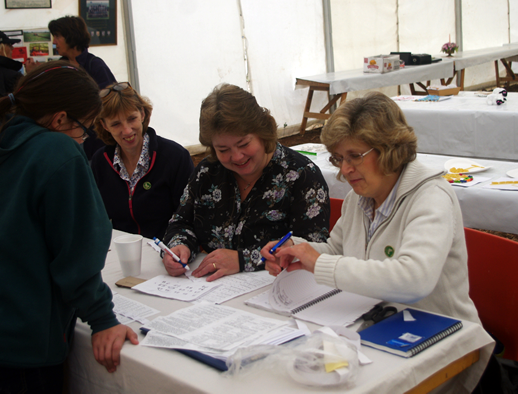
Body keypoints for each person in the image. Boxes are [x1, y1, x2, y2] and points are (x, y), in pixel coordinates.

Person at [0, 62, 138, 393]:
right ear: (60, 119)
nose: (82, 140)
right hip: (14, 353)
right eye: (84, 129)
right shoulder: (56, 150)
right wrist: (102, 319)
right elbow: (78, 251)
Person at [262, 92, 480, 324]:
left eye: (354, 156)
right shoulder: (358, 199)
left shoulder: (430, 197)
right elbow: (337, 250)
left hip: (443, 334)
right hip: (379, 324)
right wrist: (295, 248)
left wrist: (319, 263)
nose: (345, 169)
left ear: (389, 148)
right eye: (338, 158)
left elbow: (415, 279)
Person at [162, 83, 330, 281]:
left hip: (276, 290)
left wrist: (243, 260)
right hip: (207, 290)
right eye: (223, 150)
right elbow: (181, 222)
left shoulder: (301, 175)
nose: (236, 157)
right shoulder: (207, 172)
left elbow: (312, 246)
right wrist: (179, 246)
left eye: (243, 144)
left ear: (262, 132)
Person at [91, 82, 194, 240]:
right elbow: (95, 216)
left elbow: (188, 218)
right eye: (116, 124)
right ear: (104, 125)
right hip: (122, 251)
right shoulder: (100, 161)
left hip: (166, 250)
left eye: (132, 119)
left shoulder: (175, 157)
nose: (126, 130)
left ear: (143, 114)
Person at [49, 15, 117, 159]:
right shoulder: (59, 67)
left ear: (70, 36)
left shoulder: (95, 65)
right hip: (66, 138)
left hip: (94, 140)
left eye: (57, 36)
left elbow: (111, 100)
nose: (54, 42)